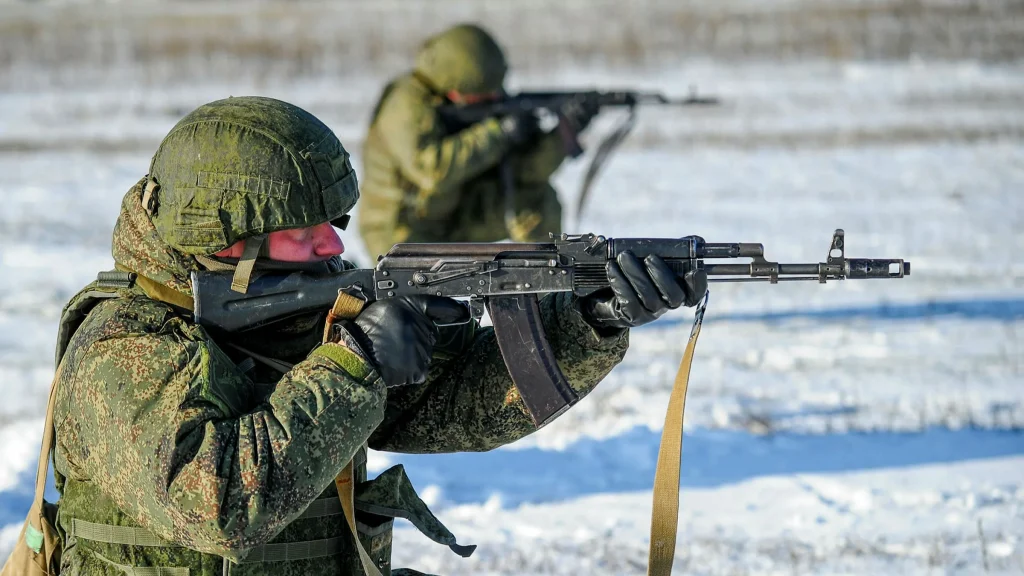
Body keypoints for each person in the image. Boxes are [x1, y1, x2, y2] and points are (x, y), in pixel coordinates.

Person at [48, 96, 706, 575]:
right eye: (305, 228)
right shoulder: (120, 349)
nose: (334, 242)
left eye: (333, 220)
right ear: (226, 242)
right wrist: (353, 365)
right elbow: (217, 507)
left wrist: (589, 319)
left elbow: (454, 410)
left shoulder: (297, 309)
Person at [359, 23, 597, 259]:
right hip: (403, 231)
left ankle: (545, 285)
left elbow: (526, 171)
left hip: (457, 216)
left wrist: (562, 135)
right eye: (483, 95)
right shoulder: (405, 104)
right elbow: (431, 171)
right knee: (422, 297)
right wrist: (497, 133)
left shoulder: (478, 104)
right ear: (455, 88)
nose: (493, 98)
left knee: (536, 199)